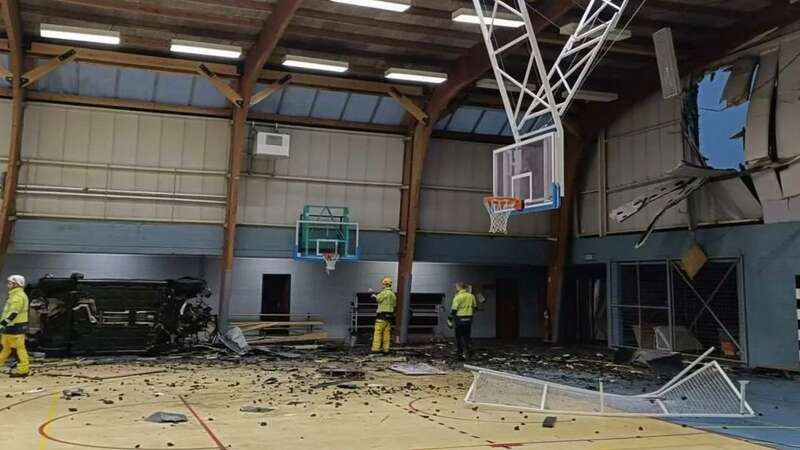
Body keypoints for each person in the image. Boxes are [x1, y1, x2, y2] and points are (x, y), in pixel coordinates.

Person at [0, 275, 30, 377]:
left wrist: (2, 324)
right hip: (9, 327)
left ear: (16, 284)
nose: (8, 285)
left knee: (18, 349)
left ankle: (23, 370)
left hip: (16, 328)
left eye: (10, 283)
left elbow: (13, 313)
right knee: (5, 348)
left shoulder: (18, 296)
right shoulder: (13, 295)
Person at [448, 282, 477, 361]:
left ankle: (460, 355)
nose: (456, 288)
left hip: (459, 319)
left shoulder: (457, 297)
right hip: (469, 318)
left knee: (459, 337)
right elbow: (475, 307)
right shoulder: (471, 296)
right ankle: (469, 350)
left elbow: (454, 310)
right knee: (467, 336)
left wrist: (449, 320)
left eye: (456, 287)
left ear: (459, 288)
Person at [371, 276, 396, 354]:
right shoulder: (393, 294)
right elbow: (394, 305)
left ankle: (376, 349)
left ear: (385, 284)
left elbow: (378, 299)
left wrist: (373, 295)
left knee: (377, 333)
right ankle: (386, 349)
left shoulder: (384, 292)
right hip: (389, 317)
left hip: (381, 317)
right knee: (387, 334)